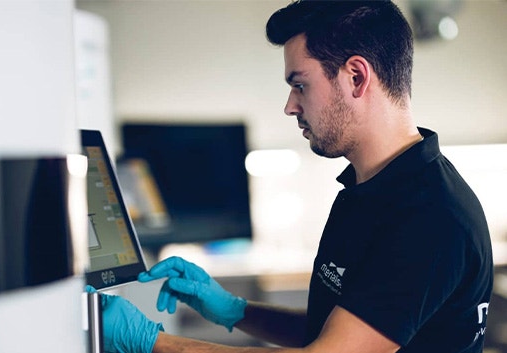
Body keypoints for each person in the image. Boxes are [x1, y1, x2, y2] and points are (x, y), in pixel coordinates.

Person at [90, 1, 494, 352]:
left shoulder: (430, 216)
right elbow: (339, 335)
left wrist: (152, 343)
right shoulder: (368, 191)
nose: (289, 106)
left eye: (300, 85)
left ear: (356, 77)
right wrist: (234, 309)